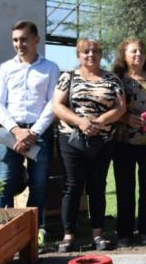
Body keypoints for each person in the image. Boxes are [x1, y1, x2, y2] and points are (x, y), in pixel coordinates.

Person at [53, 39, 126, 252]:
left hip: (101, 141)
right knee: (73, 186)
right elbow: (57, 105)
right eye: (86, 51)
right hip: (72, 139)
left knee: (97, 187)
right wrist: (80, 122)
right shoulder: (69, 77)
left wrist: (99, 122)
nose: (90, 54)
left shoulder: (112, 79)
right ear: (78, 55)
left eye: (95, 51)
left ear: (101, 54)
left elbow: (120, 109)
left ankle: (98, 234)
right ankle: (68, 236)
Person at [0, 21, 60, 235]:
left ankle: (34, 232)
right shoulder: (6, 68)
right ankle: (2, 232)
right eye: (15, 40)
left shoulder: (50, 68)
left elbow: (53, 103)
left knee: (38, 184)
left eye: (24, 39)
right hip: (10, 133)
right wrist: (16, 130)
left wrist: (33, 132)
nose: (19, 44)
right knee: (3, 183)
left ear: (36, 40)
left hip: (38, 134)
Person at [112, 38, 146, 248]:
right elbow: (108, 108)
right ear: (124, 55)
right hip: (123, 140)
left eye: (141, 51)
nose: (138, 54)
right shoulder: (116, 79)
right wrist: (125, 118)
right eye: (133, 51)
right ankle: (124, 233)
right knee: (125, 188)